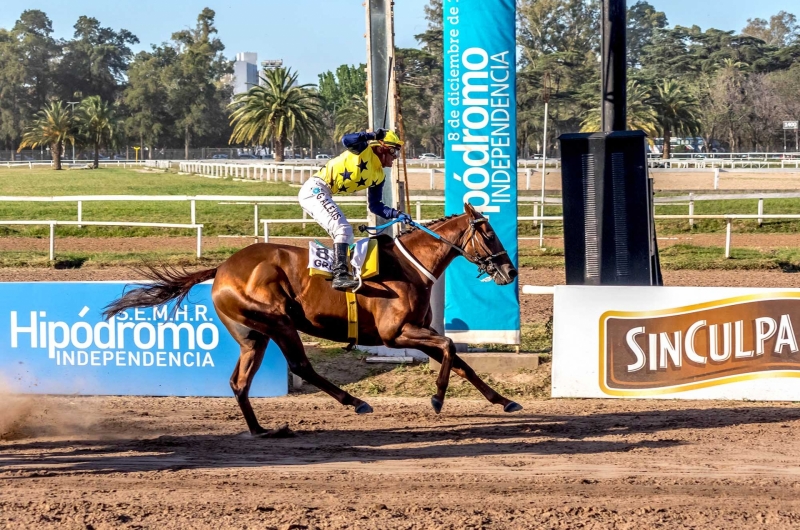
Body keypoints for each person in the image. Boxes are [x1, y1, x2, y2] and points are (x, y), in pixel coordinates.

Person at [299, 129, 411, 291]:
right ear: (381, 148)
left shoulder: (379, 176)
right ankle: (340, 276)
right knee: (343, 229)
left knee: (346, 236)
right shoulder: (363, 150)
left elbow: (375, 206)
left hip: (325, 192)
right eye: (393, 151)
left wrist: (397, 214)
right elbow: (346, 139)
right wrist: (373, 135)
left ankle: (339, 271)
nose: (395, 157)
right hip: (314, 189)